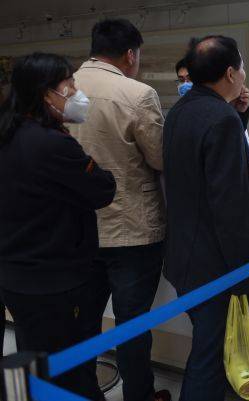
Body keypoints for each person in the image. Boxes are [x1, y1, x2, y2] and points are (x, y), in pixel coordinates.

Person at [0, 52, 116, 399]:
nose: (76, 92)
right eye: (69, 85)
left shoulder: (9, 134)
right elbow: (102, 189)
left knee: (38, 361)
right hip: (55, 281)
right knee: (72, 373)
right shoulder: (51, 144)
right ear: (46, 93)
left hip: (17, 275)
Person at [68, 19, 169, 401]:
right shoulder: (138, 94)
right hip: (132, 230)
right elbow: (159, 158)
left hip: (80, 229)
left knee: (83, 324)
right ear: (130, 54)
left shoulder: (64, 89)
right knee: (131, 328)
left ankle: (85, 392)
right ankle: (138, 395)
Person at [163, 35, 249, 401]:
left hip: (186, 260)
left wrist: (237, 115)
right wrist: (246, 276)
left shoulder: (181, 110)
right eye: (241, 66)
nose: (243, 74)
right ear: (229, 73)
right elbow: (230, 208)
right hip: (215, 269)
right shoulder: (220, 119)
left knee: (207, 350)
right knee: (209, 361)